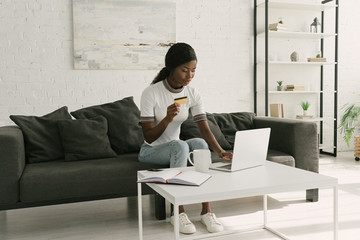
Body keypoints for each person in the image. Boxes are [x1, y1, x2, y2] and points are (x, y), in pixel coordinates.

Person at [138, 42, 233, 234]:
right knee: (180, 146)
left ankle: (206, 210)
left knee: (199, 143)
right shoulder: (152, 92)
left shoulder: (192, 93)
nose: (189, 76)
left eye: (193, 70)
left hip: (176, 147)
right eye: (184, 70)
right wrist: (166, 119)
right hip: (151, 150)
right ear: (171, 68)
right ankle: (177, 212)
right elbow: (148, 136)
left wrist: (221, 152)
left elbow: (204, 129)